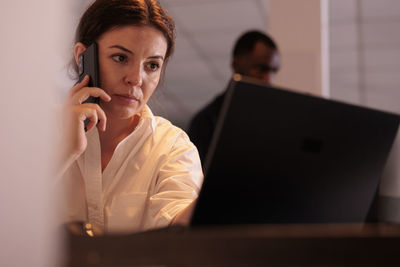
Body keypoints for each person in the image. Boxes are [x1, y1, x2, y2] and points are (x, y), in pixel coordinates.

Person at [57, 0, 203, 234]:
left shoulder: (172, 146)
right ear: (83, 57)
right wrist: (62, 151)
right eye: (121, 58)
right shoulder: (34, 130)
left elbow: (179, 229)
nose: (136, 78)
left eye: (152, 65)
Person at [187, 30, 281, 163]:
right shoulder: (206, 121)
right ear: (236, 65)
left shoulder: (275, 121)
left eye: (273, 71)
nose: (268, 79)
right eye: (261, 69)